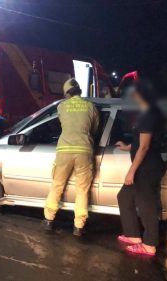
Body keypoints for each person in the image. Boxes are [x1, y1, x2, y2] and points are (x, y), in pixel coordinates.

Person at [43, 78, 99, 236]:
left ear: (67, 93)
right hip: (84, 150)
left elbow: (62, 124)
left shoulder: (62, 106)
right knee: (82, 190)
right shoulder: (91, 106)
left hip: (64, 149)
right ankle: (79, 227)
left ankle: (48, 220)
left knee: (57, 185)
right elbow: (94, 128)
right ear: (79, 91)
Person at [115, 81, 164, 256]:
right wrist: (127, 147)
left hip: (147, 168)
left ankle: (150, 245)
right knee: (124, 197)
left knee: (146, 206)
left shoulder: (150, 114)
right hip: (143, 166)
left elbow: (144, 147)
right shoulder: (144, 114)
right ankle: (133, 236)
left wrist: (131, 171)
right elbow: (139, 143)